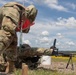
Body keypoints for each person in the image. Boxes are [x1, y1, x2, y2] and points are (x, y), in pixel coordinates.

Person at [0, 2, 37, 73]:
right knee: (7, 35)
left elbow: (25, 30)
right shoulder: (13, 11)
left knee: (13, 42)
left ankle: (10, 70)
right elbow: (6, 34)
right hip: (3, 29)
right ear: (25, 14)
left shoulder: (20, 16)